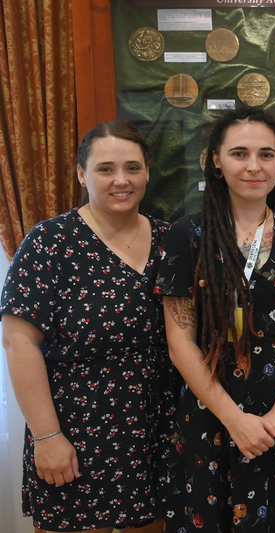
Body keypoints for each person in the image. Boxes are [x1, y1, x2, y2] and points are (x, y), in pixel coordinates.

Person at [156, 106, 275, 533]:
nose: (254, 166)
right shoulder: (186, 235)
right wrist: (234, 419)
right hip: (210, 409)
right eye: (239, 153)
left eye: (266, 154)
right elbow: (179, 342)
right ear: (217, 161)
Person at [1, 121, 175, 533]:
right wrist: (47, 437)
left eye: (132, 168)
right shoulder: (49, 242)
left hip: (158, 428)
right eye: (105, 169)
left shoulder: (171, 240)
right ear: (82, 174)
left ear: (147, 173)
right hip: (75, 430)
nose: (121, 180)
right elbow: (18, 341)